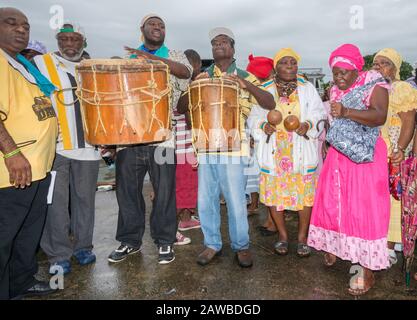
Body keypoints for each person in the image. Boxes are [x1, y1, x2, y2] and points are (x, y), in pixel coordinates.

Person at [108, 14, 192, 265]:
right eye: (152, 24)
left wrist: (151, 58)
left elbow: (185, 72)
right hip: (128, 138)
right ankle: (129, 241)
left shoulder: (175, 54)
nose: (158, 28)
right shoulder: (128, 59)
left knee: (165, 192)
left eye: (162, 25)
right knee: (127, 192)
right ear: (141, 29)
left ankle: (165, 241)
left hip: (163, 137)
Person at [308, 44, 390, 296]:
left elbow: (379, 116)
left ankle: (365, 269)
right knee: (333, 202)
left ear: (357, 70)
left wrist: (346, 111)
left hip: (365, 157)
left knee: (363, 208)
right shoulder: (334, 89)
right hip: (339, 154)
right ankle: (335, 245)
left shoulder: (374, 82)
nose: (339, 77)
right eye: (336, 72)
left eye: (345, 72)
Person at [190, 27, 275, 268]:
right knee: (206, 200)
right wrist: (196, 84)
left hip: (233, 146)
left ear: (233, 48)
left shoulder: (245, 75)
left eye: (224, 42)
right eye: (215, 42)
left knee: (236, 200)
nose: (218, 45)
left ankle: (241, 246)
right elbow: (186, 106)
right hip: (205, 146)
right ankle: (212, 244)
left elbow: (269, 102)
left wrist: (245, 85)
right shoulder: (204, 74)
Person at [0, 7, 58, 299]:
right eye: (11, 24)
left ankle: (21, 282)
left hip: (37, 167)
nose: (21, 30)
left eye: (26, 26)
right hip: (12, 170)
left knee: (27, 233)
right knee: (4, 236)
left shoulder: (21, 63)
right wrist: (11, 155)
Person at [34, 23, 101, 275]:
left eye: (75, 39)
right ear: (58, 41)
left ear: (84, 41)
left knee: (85, 202)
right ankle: (58, 255)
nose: (69, 44)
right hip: (56, 148)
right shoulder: (42, 63)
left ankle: (83, 247)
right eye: (64, 39)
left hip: (90, 148)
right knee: (56, 205)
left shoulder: (93, 66)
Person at [248, 48, 326, 257]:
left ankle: (302, 238)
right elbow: (253, 117)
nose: (290, 66)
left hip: (301, 148)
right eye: (284, 62)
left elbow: (319, 113)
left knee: (304, 197)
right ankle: (282, 236)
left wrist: (308, 124)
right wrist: (263, 125)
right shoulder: (264, 89)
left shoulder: (307, 88)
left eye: (293, 62)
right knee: (275, 196)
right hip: (275, 150)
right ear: (276, 66)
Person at [372, 48, 417, 266]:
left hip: (394, 154)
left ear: (395, 68)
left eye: (384, 63)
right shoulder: (373, 88)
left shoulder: (401, 88)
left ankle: (390, 247)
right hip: (376, 153)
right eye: (375, 63)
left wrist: (399, 149)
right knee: (380, 199)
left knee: (395, 198)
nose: (378, 67)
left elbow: (409, 122)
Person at [174, 49, 202, 246]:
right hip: (182, 147)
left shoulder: (180, 85)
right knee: (179, 188)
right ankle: (172, 229)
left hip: (183, 146)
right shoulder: (186, 87)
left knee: (187, 187)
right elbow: (191, 120)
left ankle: (185, 221)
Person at [245, 54, 275, 215]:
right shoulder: (254, 91)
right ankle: (256, 205)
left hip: (271, 141)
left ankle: (272, 217)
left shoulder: (270, 91)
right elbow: (251, 117)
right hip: (257, 139)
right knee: (255, 174)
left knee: (269, 177)